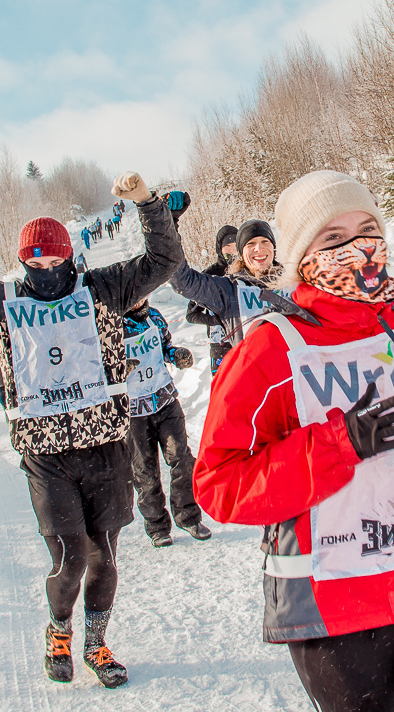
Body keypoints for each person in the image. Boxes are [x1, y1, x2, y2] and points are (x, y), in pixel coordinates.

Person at [194, 170, 394, 712]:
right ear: (301, 256)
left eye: (367, 229)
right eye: (333, 239)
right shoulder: (272, 350)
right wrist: (339, 445)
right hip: (334, 600)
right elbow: (218, 485)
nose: (357, 249)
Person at [0, 171, 181, 689]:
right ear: (22, 261)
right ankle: (58, 630)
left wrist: (147, 204)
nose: (46, 268)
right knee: (71, 556)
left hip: (104, 448)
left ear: (70, 257)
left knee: (105, 554)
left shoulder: (101, 287)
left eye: (55, 258)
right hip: (45, 456)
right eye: (36, 260)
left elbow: (163, 263)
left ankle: (96, 643)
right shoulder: (1, 302)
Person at [170, 218, 314, 376]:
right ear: (241, 252)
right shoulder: (229, 289)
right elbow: (182, 281)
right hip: (254, 380)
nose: (259, 248)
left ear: (274, 247)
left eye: (265, 241)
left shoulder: (295, 280)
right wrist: (168, 223)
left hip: (296, 377)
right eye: (250, 244)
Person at [121, 297, 208, 547]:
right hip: (133, 410)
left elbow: (166, 347)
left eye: (142, 293)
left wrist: (177, 354)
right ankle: (157, 526)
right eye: (132, 293)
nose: (137, 299)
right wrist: (117, 368)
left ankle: (189, 517)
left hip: (164, 400)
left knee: (182, 459)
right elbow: (98, 363)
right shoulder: (111, 324)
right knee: (144, 469)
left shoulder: (155, 317)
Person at [185, 224, 238, 375]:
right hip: (220, 345)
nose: (232, 250)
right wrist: (217, 320)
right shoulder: (209, 275)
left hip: (247, 341)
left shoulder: (249, 271)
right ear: (219, 248)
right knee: (225, 392)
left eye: (236, 245)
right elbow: (191, 314)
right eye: (227, 246)